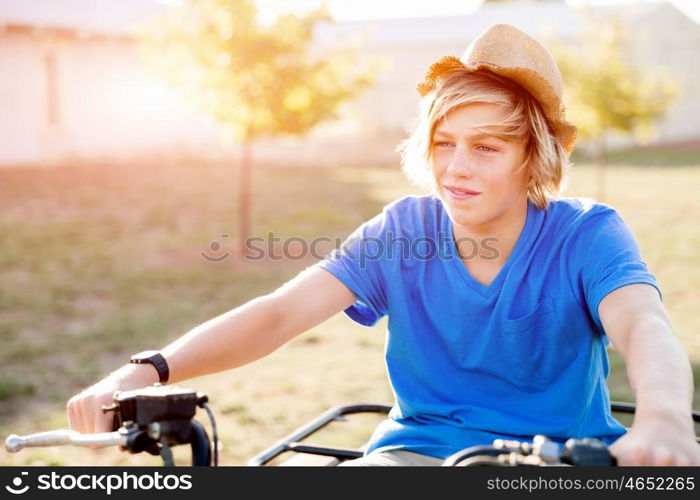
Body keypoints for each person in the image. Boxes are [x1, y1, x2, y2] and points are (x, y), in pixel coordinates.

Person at [67, 24, 700, 466]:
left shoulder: (586, 233)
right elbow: (279, 314)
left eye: (486, 147)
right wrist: (142, 371)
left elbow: (643, 324)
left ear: (533, 156)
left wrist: (667, 416)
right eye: (444, 142)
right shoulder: (402, 231)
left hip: (558, 457)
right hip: (413, 457)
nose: (457, 167)